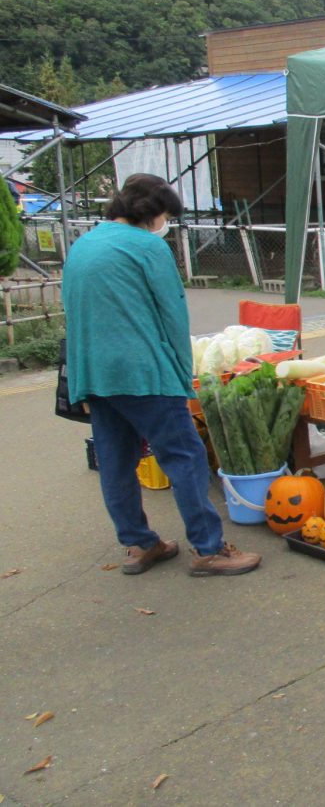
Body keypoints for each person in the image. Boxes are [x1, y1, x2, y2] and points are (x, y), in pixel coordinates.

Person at [63, 174, 261, 577]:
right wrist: (180, 371)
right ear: (152, 213)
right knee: (185, 456)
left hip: (95, 373)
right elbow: (172, 314)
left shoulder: (82, 245)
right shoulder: (148, 247)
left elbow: (73, 313)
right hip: (142, 372)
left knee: (117, 461)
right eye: (166, 216)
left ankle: (140, 544)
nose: (164, 225)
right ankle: (209, 549)